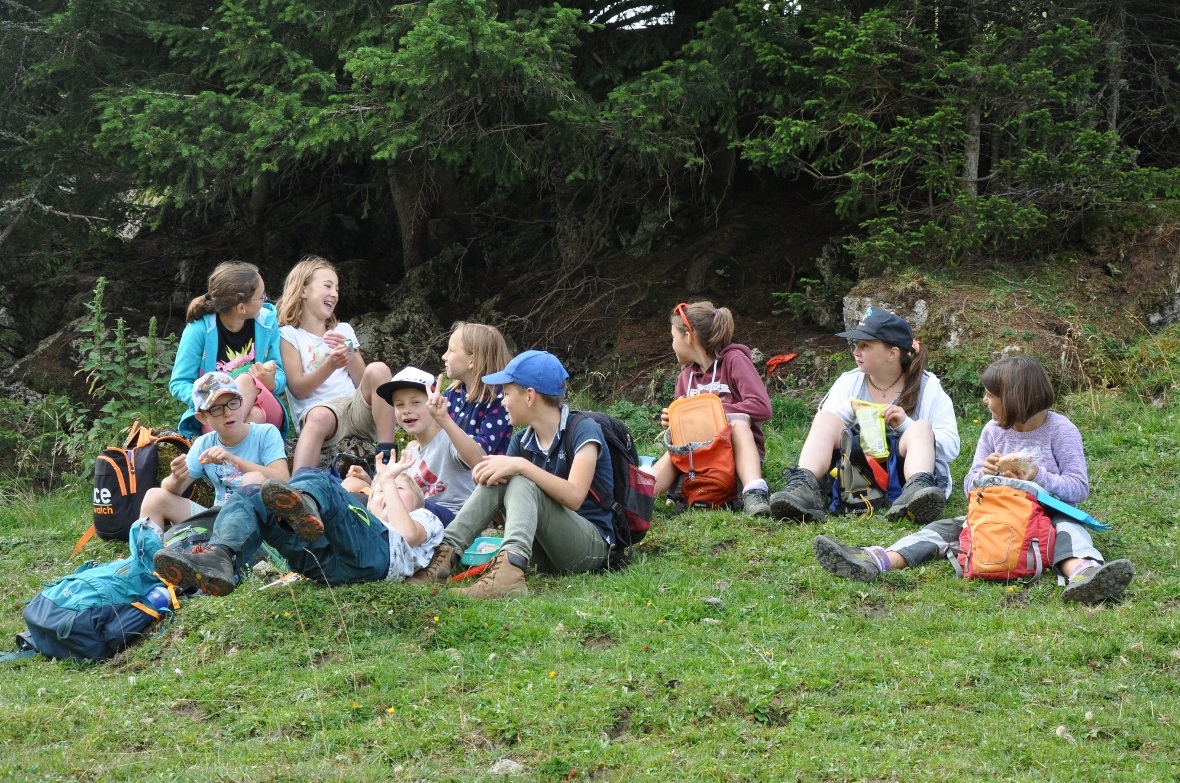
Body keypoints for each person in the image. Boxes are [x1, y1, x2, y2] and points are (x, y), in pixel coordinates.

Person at [813, 355, 1135, 604]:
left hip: (1045, 515)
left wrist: (1038, 476)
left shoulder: (1060, 430)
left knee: (1068, 527)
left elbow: (1078, 488)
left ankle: (1084, 574)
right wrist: (987, 475)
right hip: (994, 512)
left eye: (991, 395)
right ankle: (877, 559)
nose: (984, 401)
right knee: (943, 530)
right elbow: (970, 485)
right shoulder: (992, 431)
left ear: (1015, 398)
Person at [408, 350, 614, 599]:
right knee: (503, 474)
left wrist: (521, 466)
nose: (502, 401)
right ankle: (444, 557)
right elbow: (509, 505)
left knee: (518, 475)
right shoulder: (522, 441)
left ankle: (508, 574)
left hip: (590, 547)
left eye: (506, 393)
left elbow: (575, 496)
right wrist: (489, 481)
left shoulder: (583, 430)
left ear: (529, 396)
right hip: (542, 551)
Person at [153, 452, 444, 595]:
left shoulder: (424, 517)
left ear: (418, 501)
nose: (384, 494)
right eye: (378, 491)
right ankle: (220, 556)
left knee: (319, 481)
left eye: (398, 491)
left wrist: (388, 479)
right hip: (323, 565)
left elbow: (407, 533)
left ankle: (306, 503)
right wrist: (379, 485)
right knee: (252, 496)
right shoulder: (361, 515)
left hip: (374, 558)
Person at [770, 307, 960, 524]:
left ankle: (916, 494)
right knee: (825, 418)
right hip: (855, 472)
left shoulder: (927, 386)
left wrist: (906, 424)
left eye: (865, 345)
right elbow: (823, 433)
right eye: (856, 345)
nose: (856, 352)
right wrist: (849, 410)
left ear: (892, 353)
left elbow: (952, 447)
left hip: (903, 472)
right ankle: (802, 489)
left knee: (921, 427)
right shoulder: (849, 381)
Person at [650, 301, 774, 516]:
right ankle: (637, 498)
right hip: (697, 460)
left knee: (738, 425)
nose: (671, 345)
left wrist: (710, 413)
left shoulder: (734, 360)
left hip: (736, 456)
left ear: (689, 337)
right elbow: (685, 431)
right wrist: (676, 422)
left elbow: (762, 407)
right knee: (675, 447)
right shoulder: (684, 378)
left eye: (673, 338)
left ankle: (754, 492)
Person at [276, 255, 397, 471]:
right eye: (327, 286)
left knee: (378, 369)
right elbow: (298, 389)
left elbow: (363, 382)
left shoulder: (343, 330)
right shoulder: (289, 335)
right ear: (303, 291)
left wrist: (349, 355)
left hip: (356, 408)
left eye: (337, 288)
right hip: (322, 414)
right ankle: (299, 487)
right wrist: (330, 365)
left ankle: (387, 451)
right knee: (319, 416)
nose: (334, 293)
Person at [140, 372, 289, 534]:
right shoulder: (204, 443)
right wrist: (176, 478)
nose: (227, 413)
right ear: (202, 418)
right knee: (154, 496)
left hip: (260, 528)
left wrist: (234, 460)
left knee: (253, 479)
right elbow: (171, 490)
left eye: (232, 403)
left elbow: (284, 479)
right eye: (216, 409)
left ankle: (252, 551)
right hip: (218, 521)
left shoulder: (265, 433)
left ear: (242, 402)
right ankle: (146, 556)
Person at [169, 261, 287, 439]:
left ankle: (227, 456)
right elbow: (179, 383)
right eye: (261, 296)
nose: (265, 300)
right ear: (241, 307)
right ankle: (245, 463)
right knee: (255, 416)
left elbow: (280, 374)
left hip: (265, 405)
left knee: (247, 381)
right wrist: (213, 397)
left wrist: (272, 383)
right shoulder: (199, 330)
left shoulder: (267, 323)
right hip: (217, 416)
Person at [357, 366, 478, 525]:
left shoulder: (449, 438)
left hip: (451, 518)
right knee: (354, 488)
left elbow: (479, 461)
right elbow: (400, 488)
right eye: (399, 405)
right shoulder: (410, 451)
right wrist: (367, 479)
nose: (406, 410)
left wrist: (444, 419)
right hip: (416, 516)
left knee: (383, 503)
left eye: (415, 402)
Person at [434, 321, 514, 459]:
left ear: (472, 360)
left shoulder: (499, 400)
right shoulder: (453, 393)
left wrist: (444, 420)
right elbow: (435, 439)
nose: (444, 356)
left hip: (483, 476)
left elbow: (483, 451)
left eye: (451, 350)